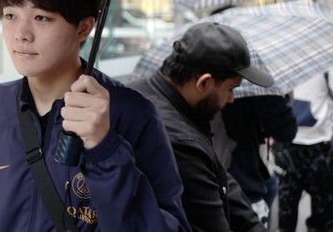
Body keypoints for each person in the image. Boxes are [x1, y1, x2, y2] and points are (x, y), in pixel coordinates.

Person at [0, 0, 190, 231]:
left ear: (83, 28)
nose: (21, 34)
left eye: (41, 18)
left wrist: (105, 149)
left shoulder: (133, 113)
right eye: (10, 15)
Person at [129, 22, 275, 232]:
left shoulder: (143, 92)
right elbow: (210, 222)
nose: (232, 99)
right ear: (204, 83)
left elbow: (217, 175)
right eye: (230, 89)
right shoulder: (179, 141)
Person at [216, 94, 297, 228]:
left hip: (216, 179)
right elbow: (286, 129)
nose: (230, 97)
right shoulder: (252, 87)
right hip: (243, 181)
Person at [272, 72, 333, 232]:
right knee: (321, 217)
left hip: (292, 141)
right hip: (315, 142)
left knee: (287, 214)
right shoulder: (324, 59)